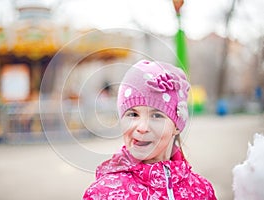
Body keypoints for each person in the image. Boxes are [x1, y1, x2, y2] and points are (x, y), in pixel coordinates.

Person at [83, 60, 217, 199]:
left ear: (177, 125)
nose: (142, 128)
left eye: (156, 115)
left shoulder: (201, 191)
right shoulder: (102, 194)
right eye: (133, 114)